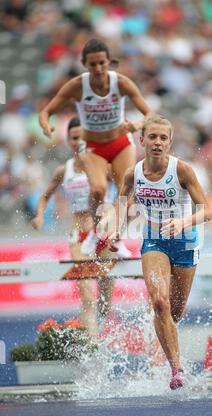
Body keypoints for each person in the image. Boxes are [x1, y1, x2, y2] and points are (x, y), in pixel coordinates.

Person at [109, 115, 212, 389]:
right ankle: (176, 370)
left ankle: (165, 345)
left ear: (170, 142)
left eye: (163, 138)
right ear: (141, 140)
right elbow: (124, 203)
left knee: (174, 314)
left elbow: (208, 211)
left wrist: (182, 221)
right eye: (152, 137)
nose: (157, 143)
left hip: (185, 242)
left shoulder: (183, 171)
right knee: (159, 303)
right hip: (154, 241)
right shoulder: (134, 173)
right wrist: (117, 229)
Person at [39, 38, 152, 256]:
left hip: (121, 144)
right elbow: (46, 112)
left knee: (126, 194)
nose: (98, 68)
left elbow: (149, 114)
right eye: (93, 64)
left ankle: (115, 238)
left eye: (102, 63)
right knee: (98, 189)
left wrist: (137, 124)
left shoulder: (121, 83)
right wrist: (46, 126)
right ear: (84, 64)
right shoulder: (77, 86)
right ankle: (96, 232)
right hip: (93, 146)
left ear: (109, 61)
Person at [31, 117, 114, 335]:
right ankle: (91, 342)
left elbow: (126, 186)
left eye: (84, 138)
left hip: (103, 231)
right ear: (68, 140)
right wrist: (40, 215)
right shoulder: (63, 170)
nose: (80, 142)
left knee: (106, 294)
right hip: (78, 234)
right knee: (87, 294)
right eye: (75, 138)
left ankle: (104, 325)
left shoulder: (103, 165)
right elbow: (45, 196)